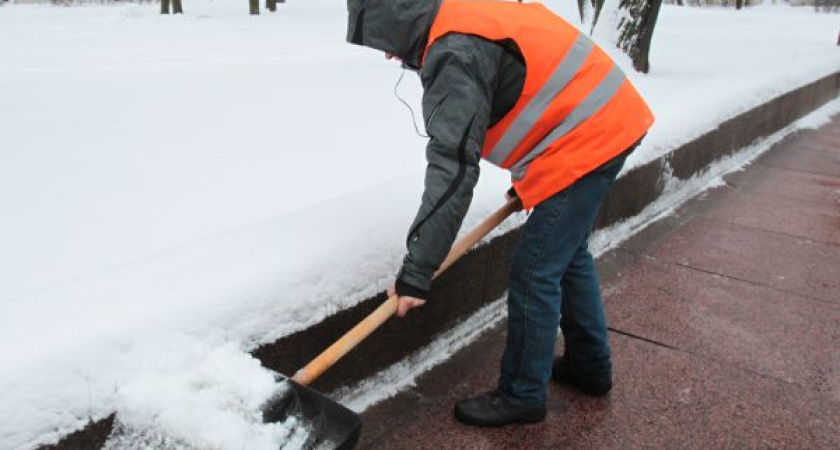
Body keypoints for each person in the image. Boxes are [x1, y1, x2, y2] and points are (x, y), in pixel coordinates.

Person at [346, 0, 654, 427]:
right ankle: (589, 368)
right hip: (604, 119)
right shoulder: (462, 14)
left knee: (535, 270)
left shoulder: (455, 51)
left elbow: (452, 168)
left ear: (400, 18)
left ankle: (524, 394)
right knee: (566, 255)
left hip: (588, 137)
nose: (388, 54)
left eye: (384, 39)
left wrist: (418, 270)